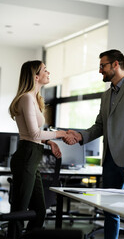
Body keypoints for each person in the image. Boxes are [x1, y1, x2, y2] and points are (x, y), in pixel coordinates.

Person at [64, 49, 124, 239]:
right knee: (110, 211)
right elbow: (99, 126)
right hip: (110, 161)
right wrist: (80, 136)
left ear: (115, 64)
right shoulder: (106, 96)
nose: (100, 70)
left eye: (102, 66)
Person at [8, 60, 75, 238]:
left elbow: (33, 135)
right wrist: (60, 134)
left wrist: (49, 142)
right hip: (26, 156)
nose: (48, 73)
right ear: (36, 76)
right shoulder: (26, 98)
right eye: (45, 70)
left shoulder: (34, 99)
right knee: (19, 212)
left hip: (32, 156)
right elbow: (33, 134)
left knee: (40, 211)